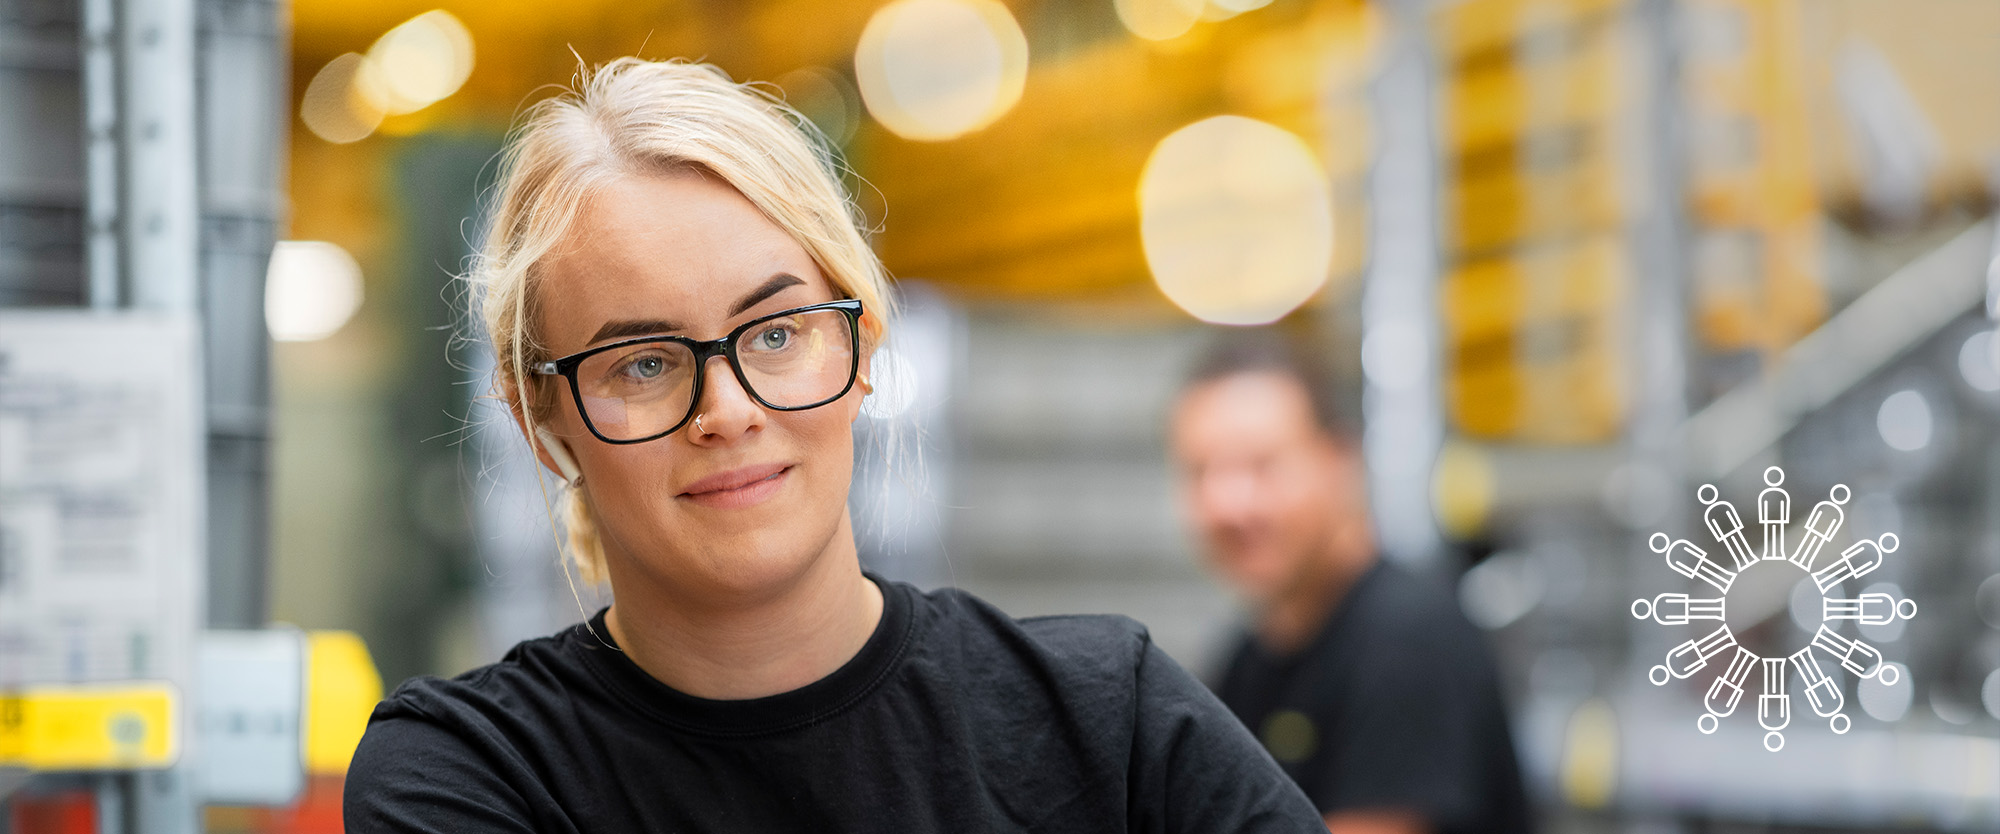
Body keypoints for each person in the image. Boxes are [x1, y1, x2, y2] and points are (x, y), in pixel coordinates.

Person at [342, 59, 1324, 833]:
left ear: (860, 354)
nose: (723, 408)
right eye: (641, 363)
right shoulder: (471, 773)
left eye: (774, 334)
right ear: (541, 422)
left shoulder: (1108, 723)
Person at [1167, 334, 1531, 834]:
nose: (1227, 503)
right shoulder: (1250, 662)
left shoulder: (1409, 638)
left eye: (1261, 465)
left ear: (1339, 460)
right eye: (1200, 471)